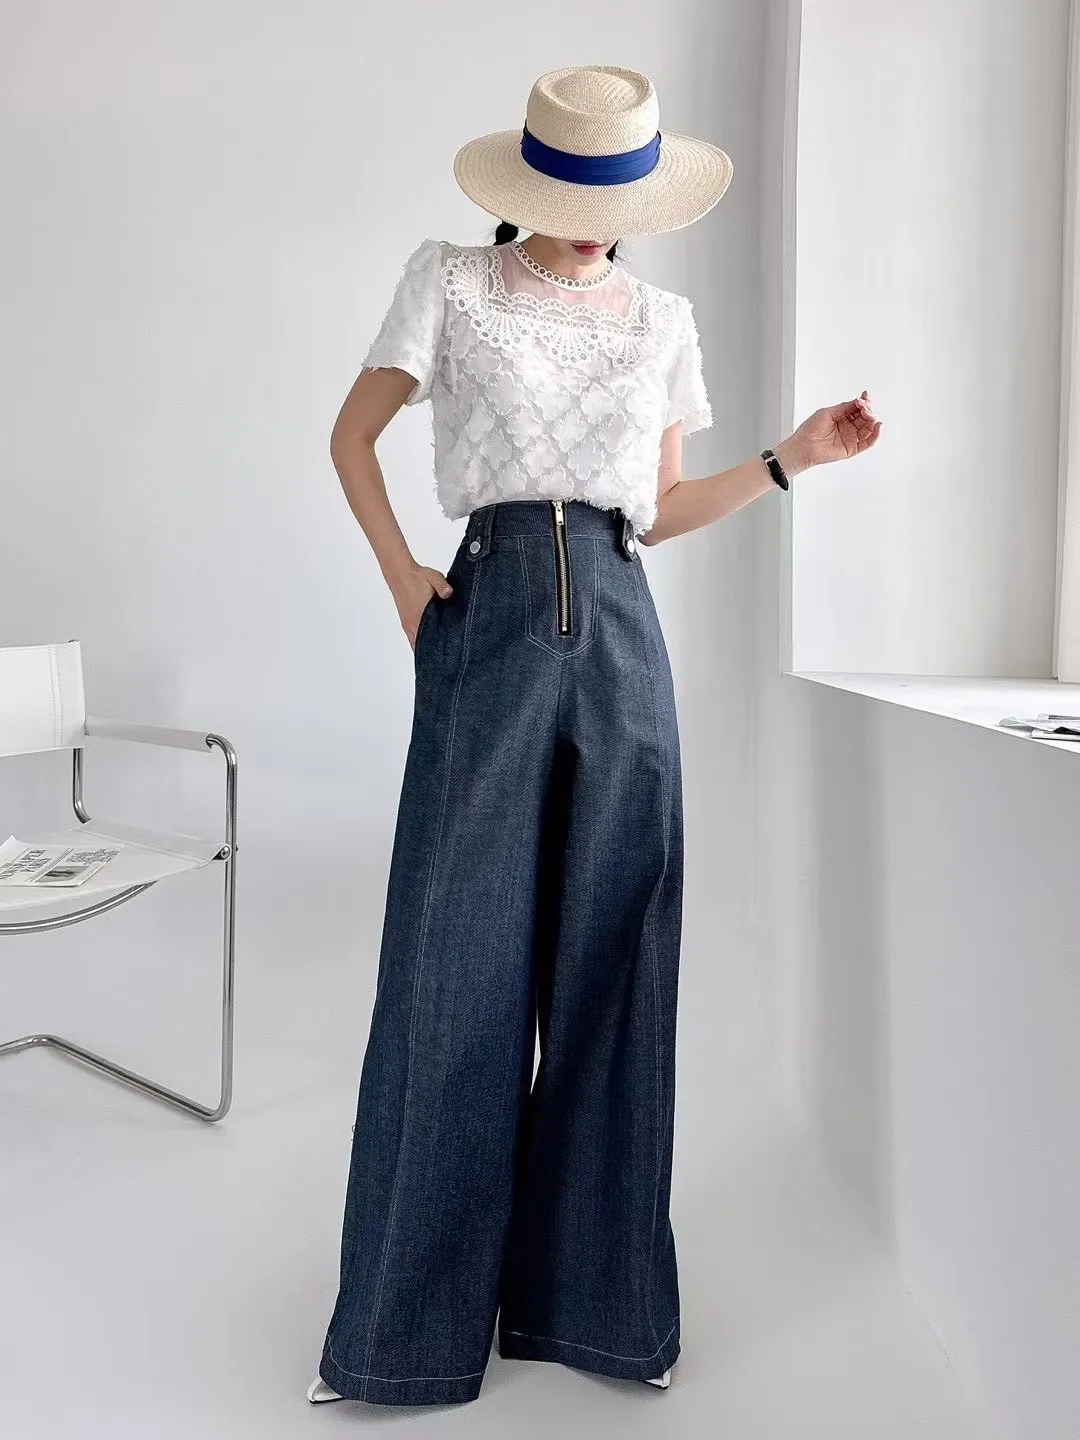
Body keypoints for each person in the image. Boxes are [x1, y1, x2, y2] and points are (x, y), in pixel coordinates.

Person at [308, 63, 882, 1409]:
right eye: (570, 197)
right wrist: (402, 578)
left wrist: (791, 458)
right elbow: (351, 438)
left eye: (614, 201)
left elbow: (656, 512)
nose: (591, 225)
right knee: (455, 973)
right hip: (490, 618)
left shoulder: (661, 320)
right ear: (527, 188)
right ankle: (402, 1340)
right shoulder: (453, 282)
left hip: (623, 636)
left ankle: (595, 1314)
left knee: (617, 969)